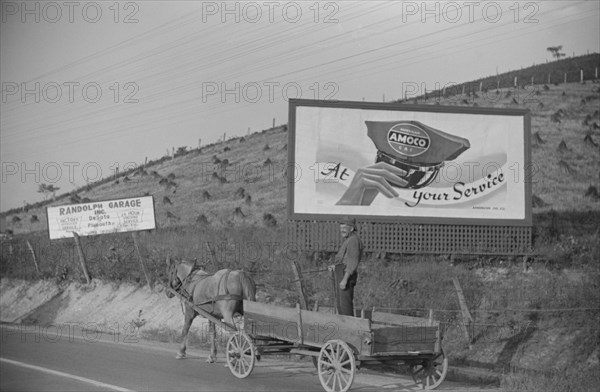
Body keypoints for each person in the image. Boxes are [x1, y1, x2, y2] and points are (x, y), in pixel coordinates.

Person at [329, 217, 363, 316]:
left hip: (346, 275)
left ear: (352, 229)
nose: (342, 230)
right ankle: (345, 328)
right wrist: (335, 266)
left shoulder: (353, 241)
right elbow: (345, 259)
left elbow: (352, 261)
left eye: (345, 227)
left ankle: (350, 328)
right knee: (340, 305)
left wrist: (345, 279)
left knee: (345, 306)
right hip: (341, 272)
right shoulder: (349, 239)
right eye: (341, 227)